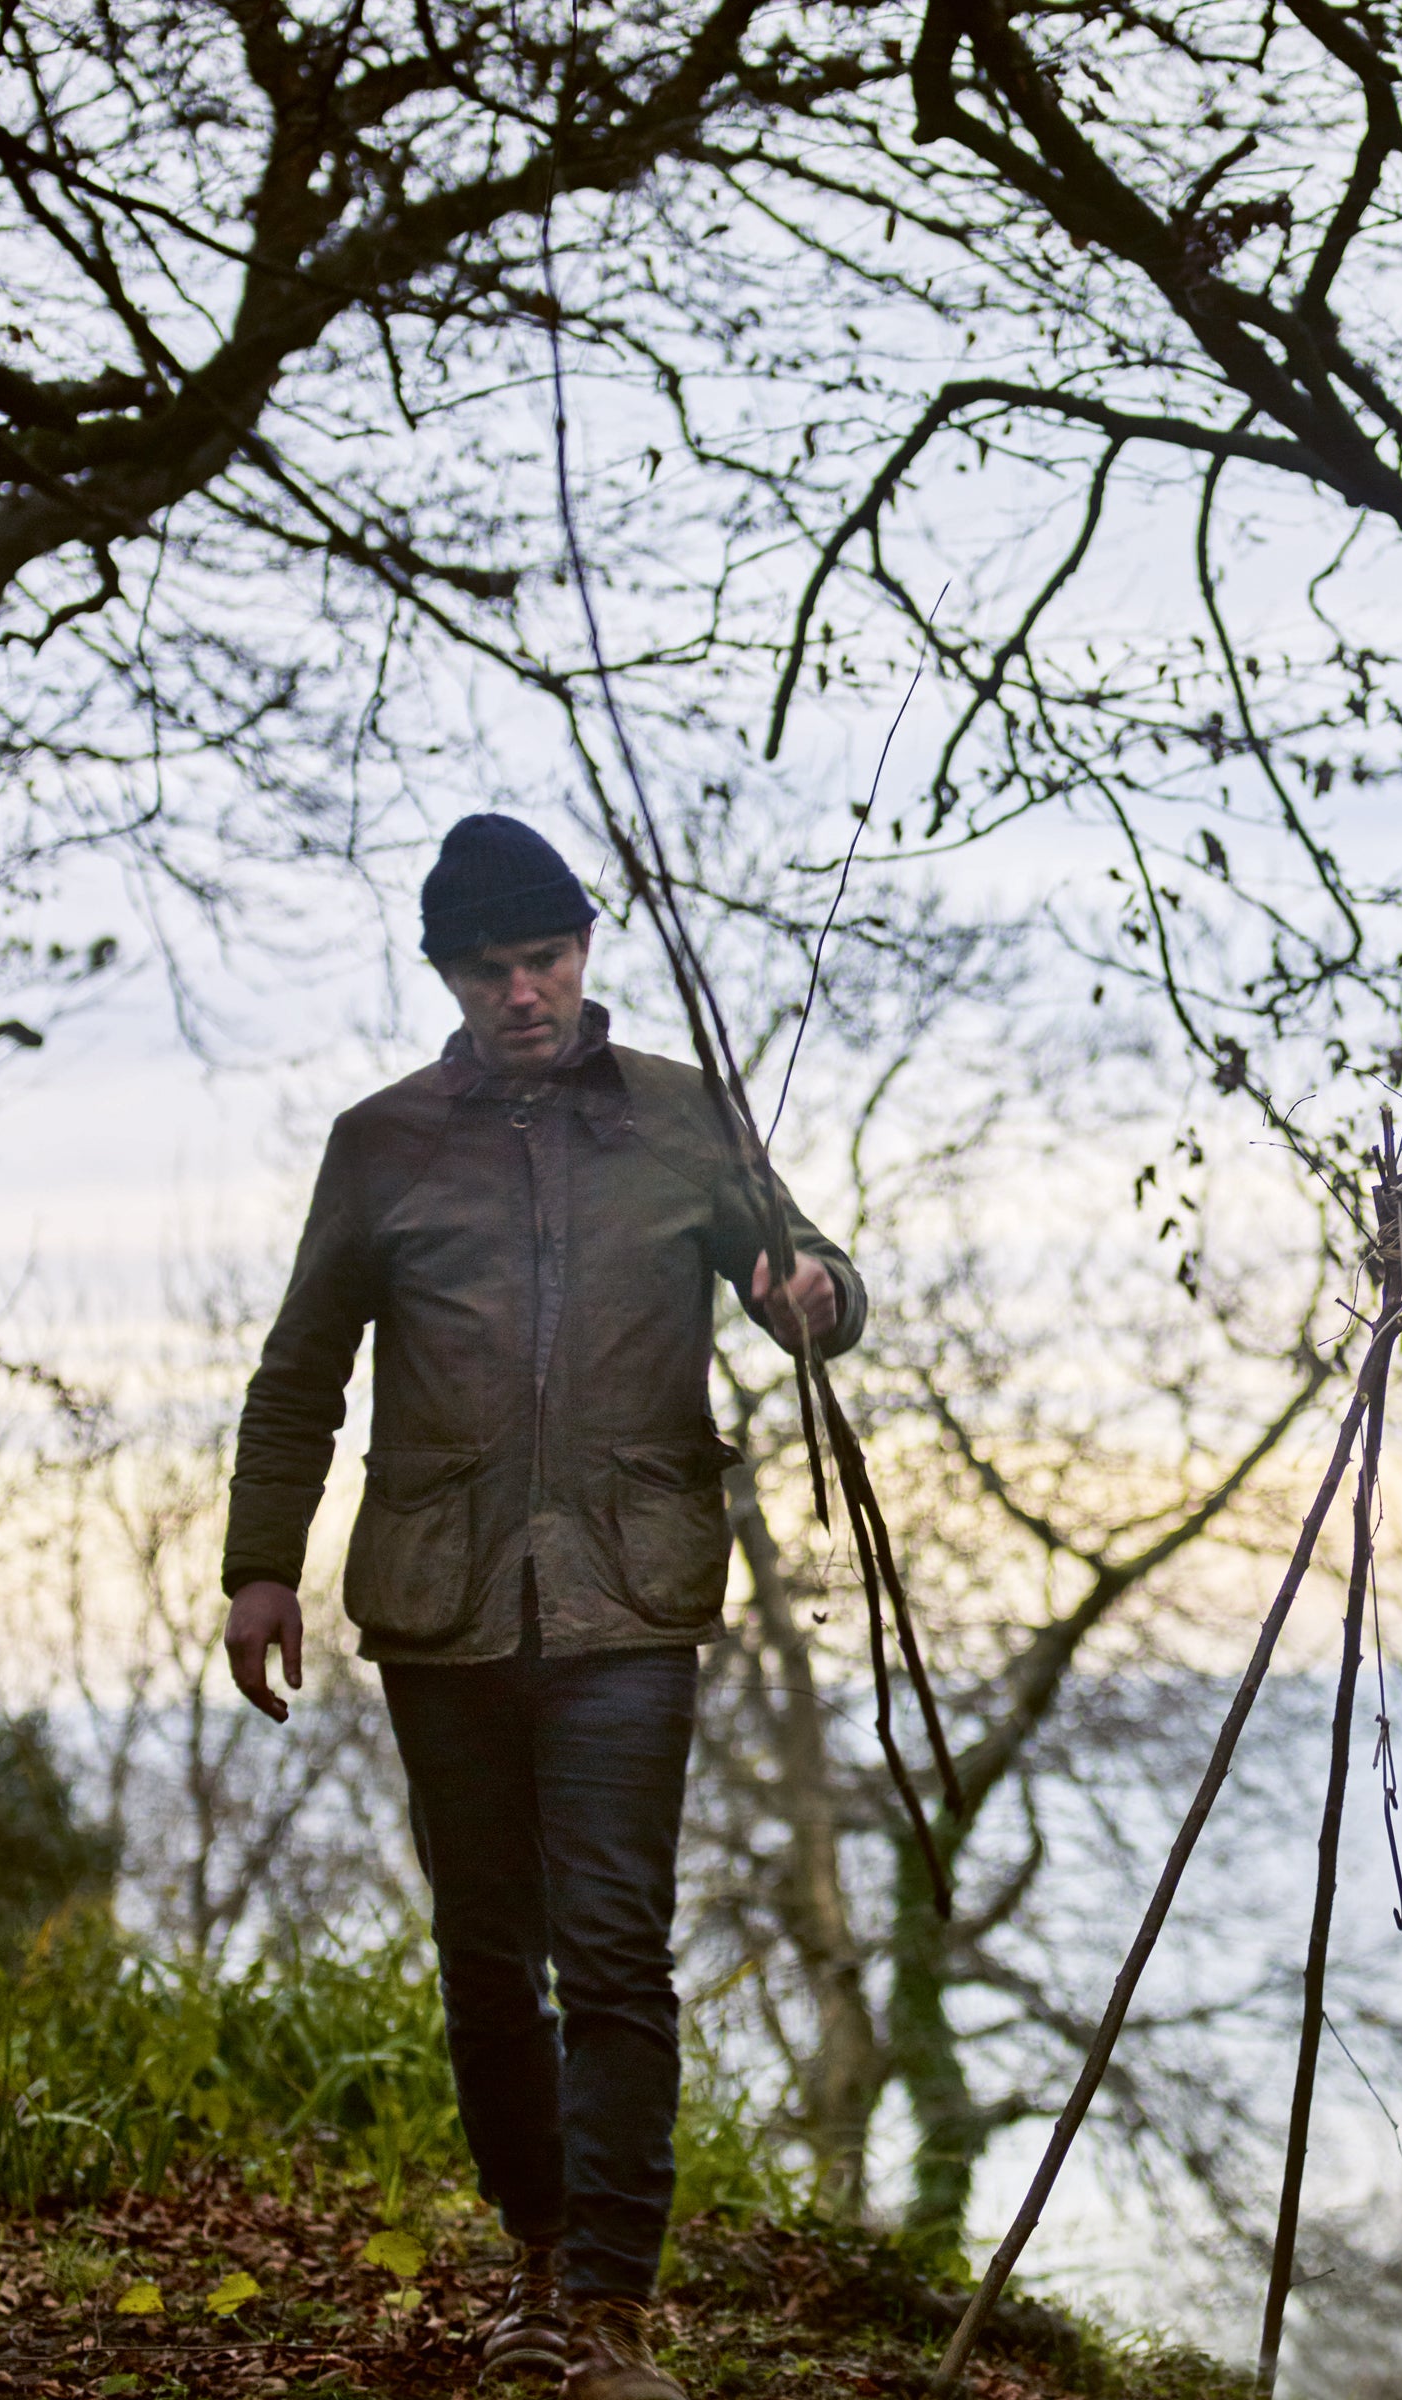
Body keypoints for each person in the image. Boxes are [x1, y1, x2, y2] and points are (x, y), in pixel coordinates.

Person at [219, 813, 860, 2397]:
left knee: (616, 1953)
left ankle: (614, 2313)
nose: (525, 990)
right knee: (486, 1958)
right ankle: (535, 2259)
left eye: (549, 958)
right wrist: (259, 1566)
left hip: (634, 1597)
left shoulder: (682, 1116)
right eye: (493, 966)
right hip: (439, 1607)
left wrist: (816, 1295)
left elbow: (806, 1273)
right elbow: (299, 1376)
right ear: (447, 974)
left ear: (585, 954)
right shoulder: (381, 1145)